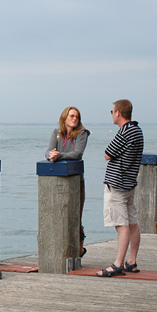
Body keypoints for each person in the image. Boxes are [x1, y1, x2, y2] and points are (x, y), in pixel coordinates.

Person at [96, 99, 144, 277]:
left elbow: (108, 154)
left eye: (112, 111)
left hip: (117, 184)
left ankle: (117, 264)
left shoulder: (125, 132)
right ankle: (131, 261)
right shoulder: (137, 130)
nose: (112, 114)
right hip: (129, 183)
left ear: (118, 113)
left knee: (121, 225)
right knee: (132, 223)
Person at [46, 106, 90, 257]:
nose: (74, 118)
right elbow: (48, 150)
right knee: (59, 216)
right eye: (71, 116)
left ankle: (79, 249)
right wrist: (51, 155)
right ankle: (60, 250)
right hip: (59, 181)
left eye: (77, 116)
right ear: (64, 118)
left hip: (76, 181)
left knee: (76, 215)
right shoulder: (56, 133)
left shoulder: (82, 133)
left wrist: (60, 156)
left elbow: (77, 154)